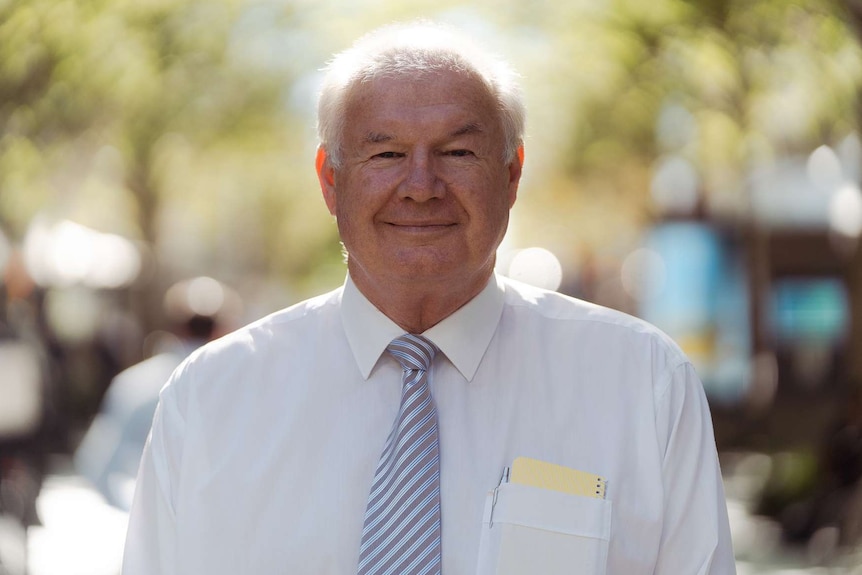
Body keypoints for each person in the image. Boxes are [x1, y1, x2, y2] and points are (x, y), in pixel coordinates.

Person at [123, 21, 736, 575]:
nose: (420, 186)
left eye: (458, 152)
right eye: (386, 153)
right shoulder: (209, 401)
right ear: (331, 180)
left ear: (512, 174)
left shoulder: (642, 385)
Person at [75, 277, 239, 511]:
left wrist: (147, 519)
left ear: (176, 326)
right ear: (225, 329)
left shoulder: (134, 385)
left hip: (149, 530)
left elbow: (97, 466)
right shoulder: (240, 391)